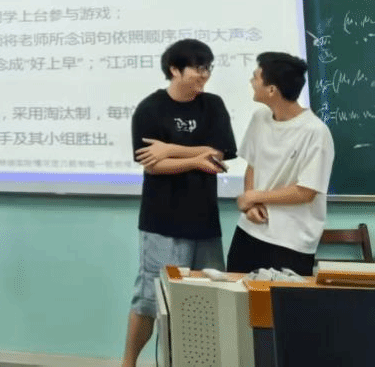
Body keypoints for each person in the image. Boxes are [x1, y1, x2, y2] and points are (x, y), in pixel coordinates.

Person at [122, 39, 237, 367]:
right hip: (162, 222)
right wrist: (196, 158)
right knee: (149, 300)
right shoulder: (150, 108)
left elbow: (218, 154)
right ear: (175, 69)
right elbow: (152, 164)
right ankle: (128, 363)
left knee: (209, 297)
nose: (204, 75)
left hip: (204, 222)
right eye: (198, 68)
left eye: (208, 68)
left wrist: (171, 149)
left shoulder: (212, 105)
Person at [226, 52, 335, 275]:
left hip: (291, 241)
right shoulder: (259, 118)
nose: (251, 82)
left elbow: (306, 192)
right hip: (249, 230)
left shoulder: (315, 132)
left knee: (282, 298)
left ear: (271, 90)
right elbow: (252, 166)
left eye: (255, 77)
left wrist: (254, 197)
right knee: (236, 293)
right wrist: (250, 206)